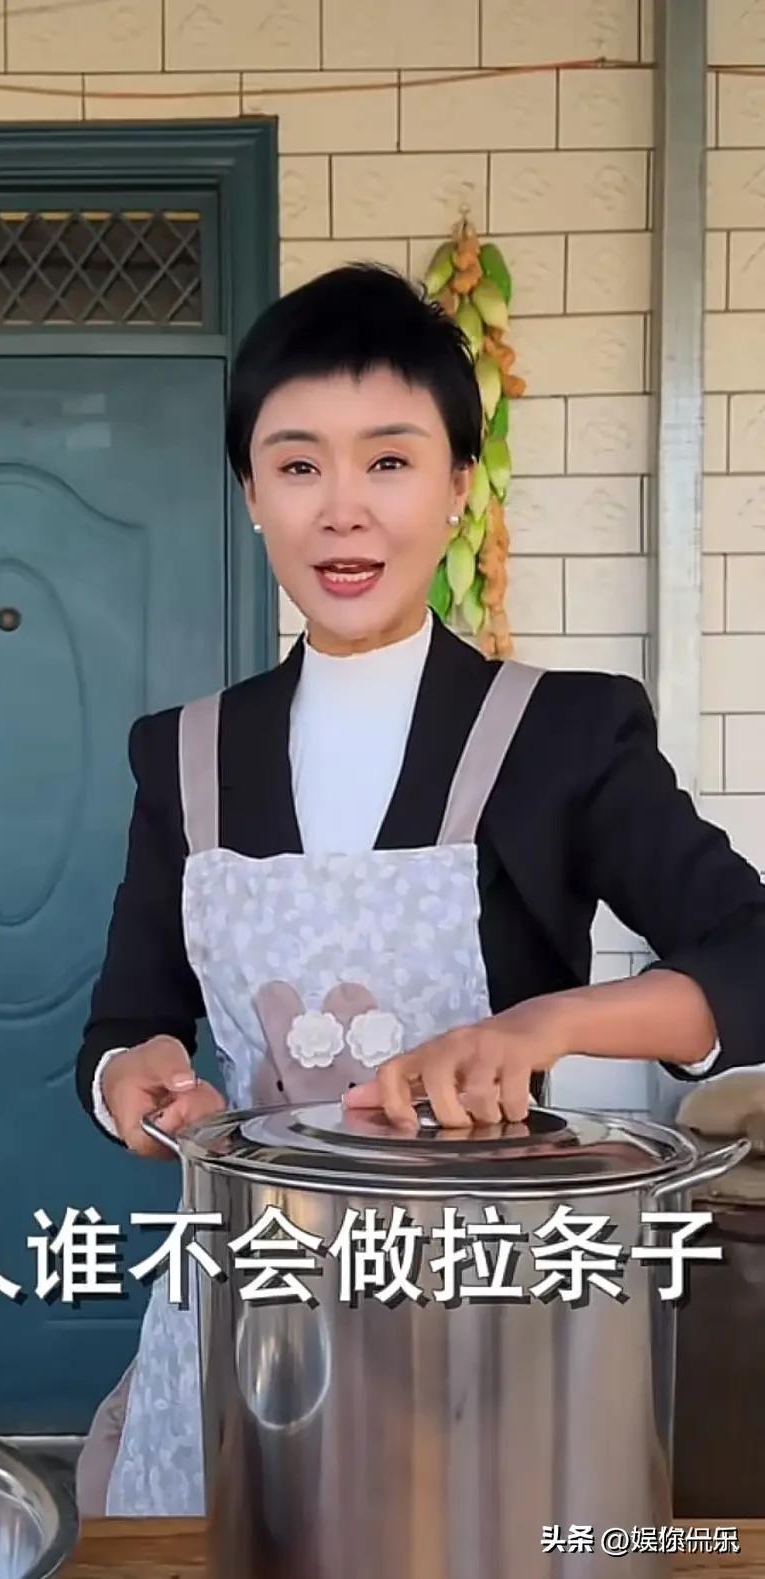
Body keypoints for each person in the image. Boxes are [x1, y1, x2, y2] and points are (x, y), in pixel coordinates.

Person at [71, 263, 765, 1519]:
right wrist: (137, 1075)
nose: (343, 509)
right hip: (248, 1323)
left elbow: (750, 950)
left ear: (457, 486)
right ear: (250, 494)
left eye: (389, 461)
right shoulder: (185, 755)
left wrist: (546, 1024)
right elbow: (126, 1021)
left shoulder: (562, 734)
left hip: (491, 1324)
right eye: (298, 465)